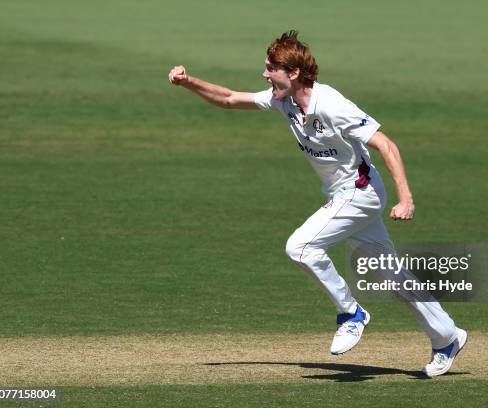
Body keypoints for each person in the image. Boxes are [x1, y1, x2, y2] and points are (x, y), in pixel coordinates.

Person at [168, 30, 467, 377]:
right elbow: (230, 99)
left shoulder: (333, 105)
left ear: (293, 73)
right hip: (341, 195)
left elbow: (386, 144)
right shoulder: (284, 100)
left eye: (270, 69)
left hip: (360, 193)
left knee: (301, 247)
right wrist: (189, 82)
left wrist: (406, 199)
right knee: (388, 273)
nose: (265, 75)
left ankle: (351, 313)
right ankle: (447, 336)